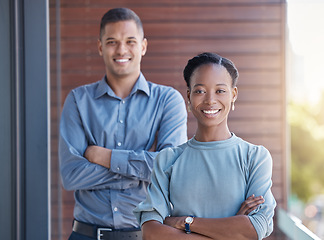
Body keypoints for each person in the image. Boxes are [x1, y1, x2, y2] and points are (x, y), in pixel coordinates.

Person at [59, 8, 188, 240]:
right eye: (112, 42)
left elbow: (171, 170)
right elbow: (72, 175)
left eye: (130, 41)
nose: (121, 50)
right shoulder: (78, 101)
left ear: (143, 46)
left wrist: (106, 157)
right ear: (100, 47)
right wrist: (143, 168)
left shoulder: (167, 101)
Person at [133, 52, 277, 240]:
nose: (210, 100)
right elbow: (152, 234)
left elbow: (256, 228)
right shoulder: (168, 159)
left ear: (233, 95)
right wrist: (231, 229)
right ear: (189, 97)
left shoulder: (255, 157)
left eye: (220, 91)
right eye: (200, 91)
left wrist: (184, 222)